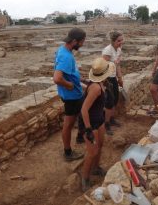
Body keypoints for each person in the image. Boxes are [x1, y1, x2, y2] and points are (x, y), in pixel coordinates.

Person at [80, 57, 115, 192]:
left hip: (99, 119)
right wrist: (88, 129)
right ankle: (85, 178)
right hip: (90, 123)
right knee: (92, 152)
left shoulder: (100, 83)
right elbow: (84, 109)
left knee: (100, 145)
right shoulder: (95, 88)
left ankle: (96, 168)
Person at [53, 28, 86, 161]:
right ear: (74, 41)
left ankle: (80, 137)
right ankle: (68, 152)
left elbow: (68, 73)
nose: (82, 45)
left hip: (75, 95)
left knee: (83, 114)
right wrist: (70, 85)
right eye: (81, 42)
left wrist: (79, 79)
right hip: (71, 96)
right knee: (68, 125)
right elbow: (57, 78)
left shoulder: (63, 50)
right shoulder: (66, 57)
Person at [102, 31, 124, 134]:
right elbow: (103, 67)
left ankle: (111, 119)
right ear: (113, 41)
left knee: (115, 99)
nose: (121, 42)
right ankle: (106, 124)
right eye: (119, 41)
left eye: (121, 40)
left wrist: (120, 78)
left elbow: (118, 65)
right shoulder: (107, 51)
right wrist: (105, 83)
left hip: (113, 77)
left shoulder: (118, 50)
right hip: (107, 79)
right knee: (109, 102)